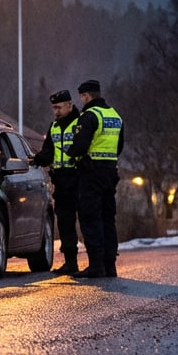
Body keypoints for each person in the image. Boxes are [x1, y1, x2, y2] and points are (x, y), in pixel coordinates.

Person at [67, 79, 124, 278]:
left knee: (91, 217)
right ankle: (110, 265)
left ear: (86, 96)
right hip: (110, 172)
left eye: (82, 97)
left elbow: (79, 146)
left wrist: (71, 153)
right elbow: (119, 146)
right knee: (108, 218)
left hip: (91, 173)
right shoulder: (115, 115)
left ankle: (96, 265)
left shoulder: (90, 116)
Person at [29, 89, 82, 274]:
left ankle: (97, 263)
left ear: (70, 105)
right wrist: (37, 159)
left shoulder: (81, 123)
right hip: (61, 180)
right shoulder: (54, 127)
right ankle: (71, 262)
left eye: (59, 107)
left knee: (87, 220)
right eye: (54, 108)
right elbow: (48, 152)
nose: (56, 111)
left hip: (79, 178)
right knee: (65, 222)